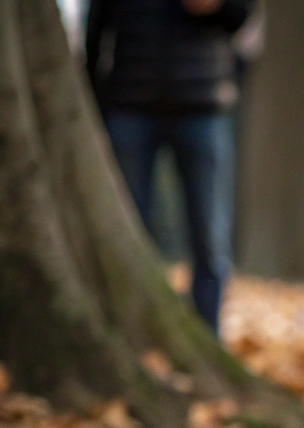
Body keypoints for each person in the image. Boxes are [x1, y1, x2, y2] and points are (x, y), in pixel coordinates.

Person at [86, 0, 250, 335]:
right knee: (128, 226)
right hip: (129, 106)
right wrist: (97, 104)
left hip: (202, 105)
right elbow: (96, 29)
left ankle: (207, 333)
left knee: (208, 231)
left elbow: (242, 16)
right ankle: (130, 329)